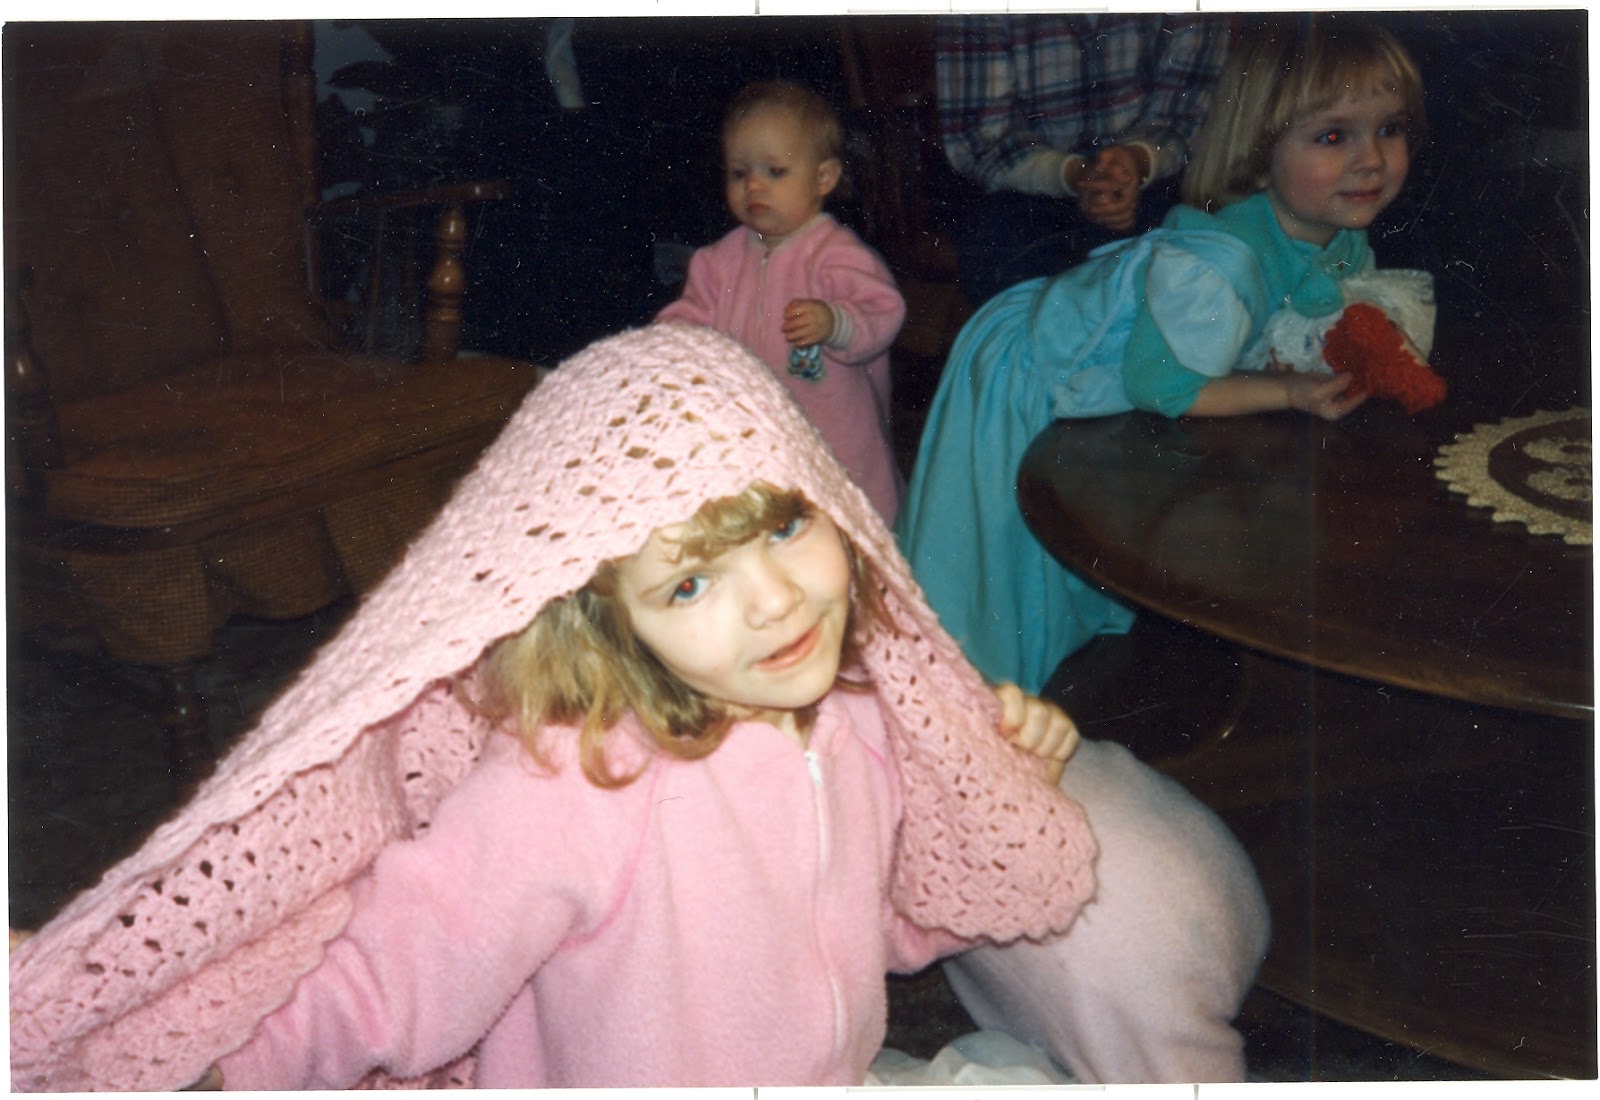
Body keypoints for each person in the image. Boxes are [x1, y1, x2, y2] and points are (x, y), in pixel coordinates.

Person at [898, 14, 1433, 697]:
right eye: (1334, 136)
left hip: (1109, 367)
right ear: (1259, 146)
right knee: (993, 584)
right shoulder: (1219, 267)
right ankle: (964, 715)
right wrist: (1288, 391)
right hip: (1033, 368)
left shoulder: (1335, 230)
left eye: (1390, 129)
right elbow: (1164, 386)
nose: (1372, 159)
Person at [657, 80, 906, 523]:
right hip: (749, 429)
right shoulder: (717, 262)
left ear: (823, 178)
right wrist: (669, 344)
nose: (754, 185)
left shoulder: (837, 255)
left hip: (834, 434)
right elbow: (689, 317)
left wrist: (836, 322)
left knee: (849, 521)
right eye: (739, 173)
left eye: (775, 172)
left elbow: (882, 311)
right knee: (765, 518)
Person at [934, 13, 1230, 306]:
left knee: (1202, 261)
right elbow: (982, 137)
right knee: (996, 246)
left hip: (1152, 177)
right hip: (1029, 189)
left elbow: (1187, 113)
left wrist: (1135, 161)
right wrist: (1078, 175)